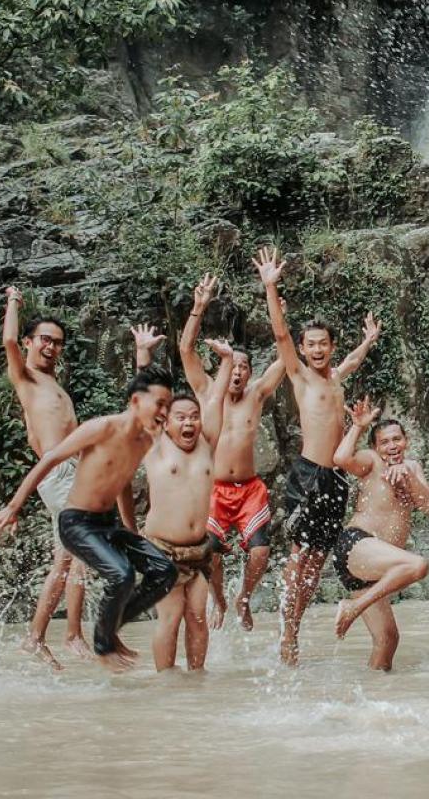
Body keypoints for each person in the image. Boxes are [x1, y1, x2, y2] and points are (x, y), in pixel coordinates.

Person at [0, 365, 178, 672]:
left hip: (108, 524)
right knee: (122, 574)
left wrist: (131, 530)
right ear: (136, 401)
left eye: (168, 405)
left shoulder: (144, 441)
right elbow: (50, 459)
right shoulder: (101, 428)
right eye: (160, 404)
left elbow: (124, 483)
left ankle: (109, 630)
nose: (165, 412)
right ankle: (102, 643)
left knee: (164, 571)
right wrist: (13, 506)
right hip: (77, 523)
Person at [256, 246, 382, 665]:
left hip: (336, 479)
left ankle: (296, 624)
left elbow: (352, 361)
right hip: (308, 475)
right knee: (300, 555)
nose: (316, 349)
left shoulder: (337, 377)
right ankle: (286, 633)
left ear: (330, 346)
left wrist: (368, 341)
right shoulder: (300, 376)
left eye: (322, 344)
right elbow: (280, 336)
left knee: (317, 561)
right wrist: (271, 286)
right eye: (310, 344)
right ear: (304, 348)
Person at [178, 271, 287, 632]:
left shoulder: (257, 395)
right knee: (209, 550)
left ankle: (243, 597)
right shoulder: (207, 390)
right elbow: (186, 350)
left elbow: (286, 357)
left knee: (261, 551)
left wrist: (280, 317)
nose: (237, 372)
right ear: (223, 365)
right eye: (233, 365)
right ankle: (219, 599)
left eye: (244, 367)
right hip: (214, 489)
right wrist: (199, 306)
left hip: (250, 490)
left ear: (250, 373)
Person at [0, 286, 90, 669]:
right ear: (29, 342)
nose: (51, 347)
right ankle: (67, 635)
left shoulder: (55, 385)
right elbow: (7, 340)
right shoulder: (27, 378)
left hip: (73, 472)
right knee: (78, 553)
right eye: (44, 340)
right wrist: (14, 301)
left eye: (57, 342)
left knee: (67, 559)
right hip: (57, 473)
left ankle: (42, 637)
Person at [134, 327, 234, 672]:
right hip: (162, 550)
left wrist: (227, 361)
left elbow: (216, 399)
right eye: (181, 417)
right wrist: (143, 354)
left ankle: (196, 681)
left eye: (193, 416)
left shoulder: (207, 444)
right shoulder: (156, 446)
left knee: (198, 618)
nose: (189, 422)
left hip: (199, 550)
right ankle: (165, 683)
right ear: (166, 422)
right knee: (171, 617)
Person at [329, 398, 429, 670]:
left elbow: (427, 505)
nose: (392, 446)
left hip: (374, 567)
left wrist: (408, 476)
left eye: (397, 439)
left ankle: (375, 690)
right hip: (356, 545)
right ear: (376, 447)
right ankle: (352, 608)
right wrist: (358, 427)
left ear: (406, 441)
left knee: (387, 640)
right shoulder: (372, 461)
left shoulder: (413, 467)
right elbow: (340, 459)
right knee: (418, 565)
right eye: (385, 442)